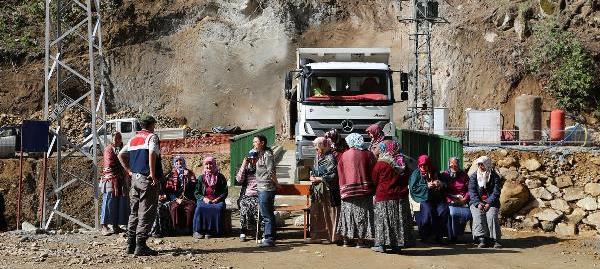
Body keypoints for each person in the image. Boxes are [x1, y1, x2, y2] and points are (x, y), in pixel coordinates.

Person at [118, 114, 163, 256]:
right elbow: (152, 154)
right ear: (151, 125)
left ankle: (130, 244)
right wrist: (153, 173)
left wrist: (129, 171)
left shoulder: (133, 139)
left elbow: (120, 155)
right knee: (146, 211)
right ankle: (141, 245)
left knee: (134, 211)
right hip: (146, 179)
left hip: (135, 179)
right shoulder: (152, 137)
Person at [371, 140, 415, 253]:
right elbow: (408, 177)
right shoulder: (403, 163)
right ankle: (397, 246)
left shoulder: (381, 164)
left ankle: (381, 245)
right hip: (400, 197)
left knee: (383, 221)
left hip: (384, 196)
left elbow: (374, 179)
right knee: (398, 221)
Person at [336, 133, 376, 248]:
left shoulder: (343, 155)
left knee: (348, 215)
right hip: (364, 191)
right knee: (362, 215)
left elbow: (340, 172)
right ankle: (360, 241)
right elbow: (373, 171)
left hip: (347, 191)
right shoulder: (368, 155)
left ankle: (346, 240)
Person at [307, 137, 341, 244]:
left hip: (327, 190)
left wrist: (320, 178)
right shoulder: (317, 157)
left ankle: (331, 236)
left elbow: (333, 175)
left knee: (328, 212)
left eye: (317, 147)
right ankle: (316, 236)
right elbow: (313, 170)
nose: (315, 149)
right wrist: (312, 176)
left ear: (322, 145)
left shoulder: (330, 158)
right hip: (316, 190)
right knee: (316, 212)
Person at [409, 155, 448, 243]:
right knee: (428, 211)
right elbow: (413, 188)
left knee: (443, 210)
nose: (423, 167)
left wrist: (440, 183)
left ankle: (439, 235)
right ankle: (426, 236)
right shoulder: (416, 174)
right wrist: (426, 186)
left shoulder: (435, 172)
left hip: (436, 198)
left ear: (429, 165)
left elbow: (445, 184)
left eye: (425, 165)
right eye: (421, 165)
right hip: (423, 198)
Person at [100, 132, 129, 236]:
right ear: (112, 139)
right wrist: (121, 168)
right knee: (108, 201)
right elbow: (109, 163)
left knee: (118, 203)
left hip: (120, 179)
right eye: (115, 138)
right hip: (110, 179)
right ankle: (104, 225)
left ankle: (116, 225)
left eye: (119, 138)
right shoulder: (108, 149)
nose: (117, 140)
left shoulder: (121, 149)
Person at [469, 156, 502, 248]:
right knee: (478, 215)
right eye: (479, 164)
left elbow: (496, 192)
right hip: (476, 202)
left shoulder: (495, 177)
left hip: (491, 202)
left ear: (487, 164)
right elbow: (472, 191)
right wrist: (477, 203)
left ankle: (495, 240)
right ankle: (481, 239)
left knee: (492, 216)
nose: (480, 166)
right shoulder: (474, 176)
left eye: (482, 164)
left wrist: (488, 203)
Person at [193, 156, 228, 238]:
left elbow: (225, 191)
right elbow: (196, 192)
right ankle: (198, 231)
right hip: (204, 199)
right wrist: (204, 198)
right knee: (200, 208)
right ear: (204, 165)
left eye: (211, 164)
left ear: (214, 164)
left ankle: (213, 232)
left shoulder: (220, 177)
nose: (208, 166)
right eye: (206, 164)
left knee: (218, 208)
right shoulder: (201, 178)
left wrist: (218, 199)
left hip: (217, 199)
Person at [254, 134, 278, 247]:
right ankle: (267, 236)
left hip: (266, 188)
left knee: (267, 214)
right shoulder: (258, 154)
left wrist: (277, 184)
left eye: (255, 142)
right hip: (260, 187)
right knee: (265, 213)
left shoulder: (267, 155)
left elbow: (271, 172)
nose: (253, 144)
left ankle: (269, 238)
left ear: (262, 143)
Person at [441, 157, 471, 243]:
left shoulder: (464, 175)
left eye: (456, 165)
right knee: (451, 212)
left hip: (463, 199)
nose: (454, 167)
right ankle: (452, 236)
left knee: (467, 213)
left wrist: (465, 198)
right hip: (450, 199)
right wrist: (450, 200)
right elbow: (443, 191)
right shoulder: (445, 175)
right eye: (452, 166)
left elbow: (469, 189)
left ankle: (459, 233)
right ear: (449, 165)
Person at [164, 155, 197, 235]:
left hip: (188, 198)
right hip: (176, 199)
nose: (179, 163)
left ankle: (188, 228)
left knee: (190, 208)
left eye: (181, 161)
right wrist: (176, 199)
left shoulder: (190, 173)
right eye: (177, 161)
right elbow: (169, 191)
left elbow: (194, 188)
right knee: (174, 207)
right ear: (175, 163)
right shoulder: (171, 175)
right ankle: (176, 229)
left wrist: (188, 178)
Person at [236, 150, 261, 242]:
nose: (253, 161)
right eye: (251, 159)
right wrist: (243, 165)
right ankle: (243, 231)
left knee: (258, 207)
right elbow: (239, 180)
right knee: (244, 206)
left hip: (258, 195)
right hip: (246, 195)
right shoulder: (246, 169)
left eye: (255, 159)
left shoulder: (261, 169)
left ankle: (259, 231)